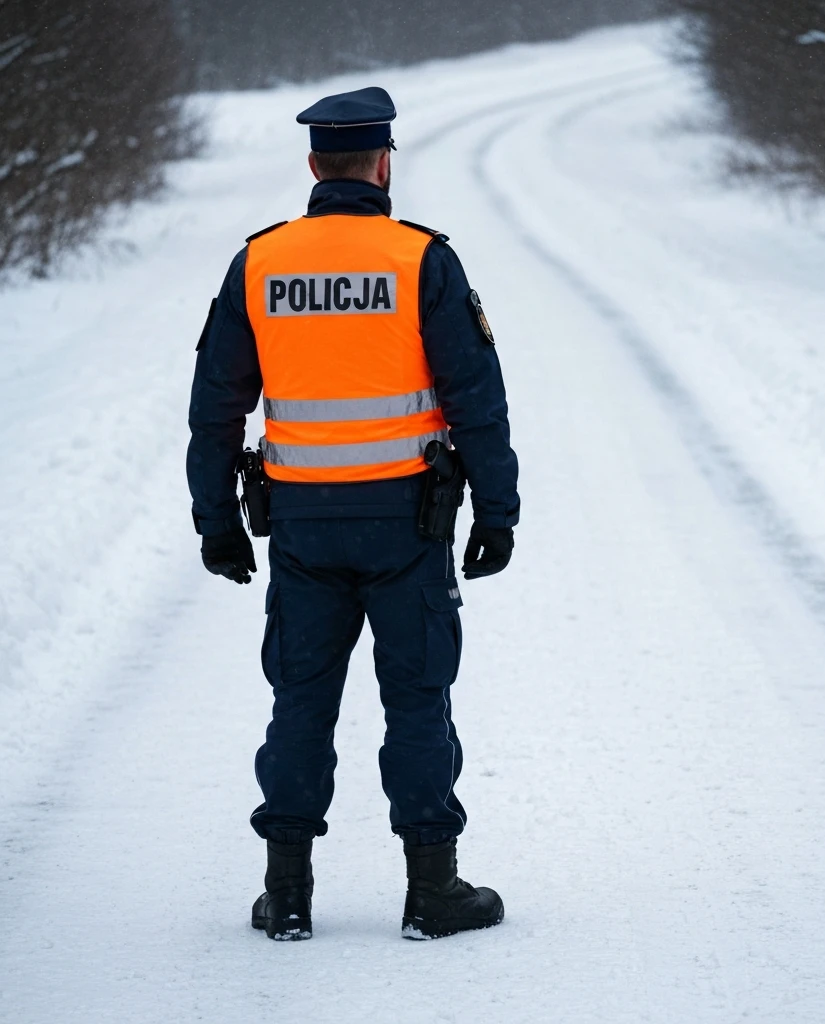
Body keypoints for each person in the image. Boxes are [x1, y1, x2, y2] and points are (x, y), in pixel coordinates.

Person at [186, 86, 519, 942]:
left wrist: (215, 518)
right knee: (416, 699)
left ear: (312, 167)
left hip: (300, 526)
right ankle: (432, 890)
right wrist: (497, 508)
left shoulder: (260, 262)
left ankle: (287, 895)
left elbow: (216, 405)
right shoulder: (421, 260)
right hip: (407, 525)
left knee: (301, 701)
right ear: (382, 164)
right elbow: (475, 396)